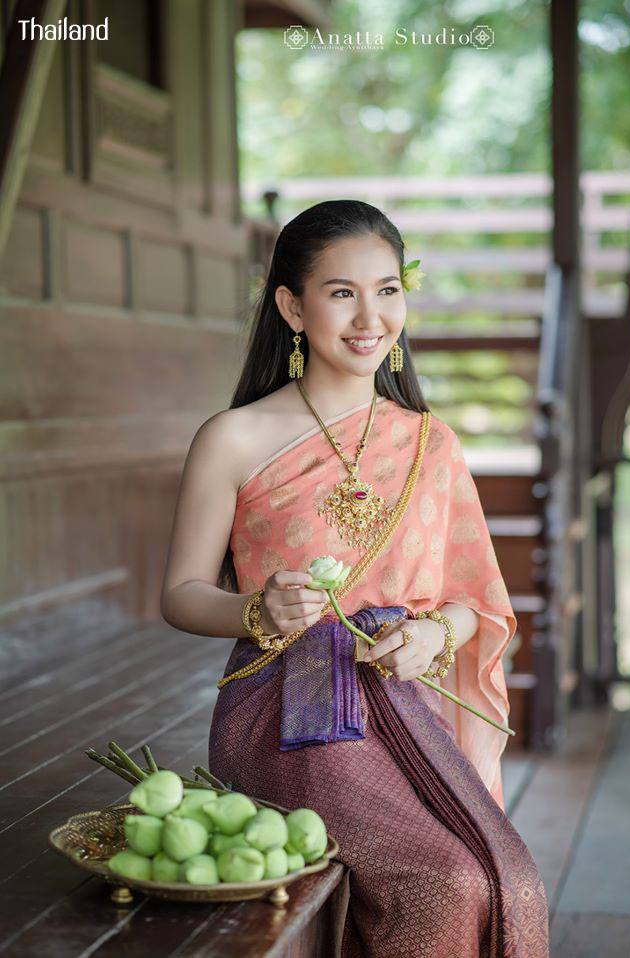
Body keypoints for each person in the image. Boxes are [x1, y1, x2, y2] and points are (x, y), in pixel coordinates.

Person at [160, 200, 550, 957]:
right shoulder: (233, 437)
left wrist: (436, 630)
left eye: (388, 289)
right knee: (446, 880)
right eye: (341, 292)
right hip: (288, 702)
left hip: (406, 700)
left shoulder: (431, 443)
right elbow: (180, 595)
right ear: (291, 307)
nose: (370, 316)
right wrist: (256, 610)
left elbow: (475, 604)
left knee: (514, 879)